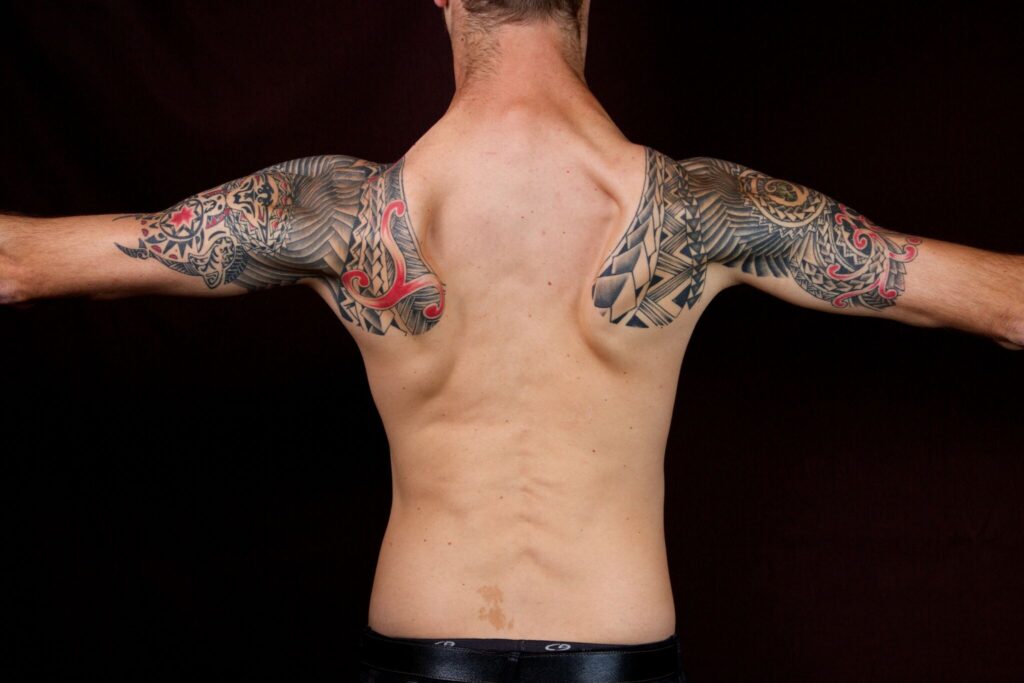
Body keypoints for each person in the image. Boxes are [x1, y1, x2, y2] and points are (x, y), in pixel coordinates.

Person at [1, 1, 1021, 681]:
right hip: (614, 650)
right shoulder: (701, 208)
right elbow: (1005, 304)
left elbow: (18, 262)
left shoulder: (339, 213)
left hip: (423, 649)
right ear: (586, 5)